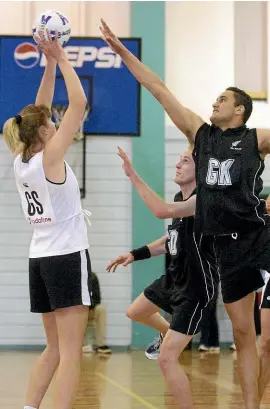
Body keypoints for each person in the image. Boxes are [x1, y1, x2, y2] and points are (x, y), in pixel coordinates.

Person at [100, 20, 270, 409]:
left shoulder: (256, 139)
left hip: (259, 240)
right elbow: (159, 89)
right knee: (243, 335)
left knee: (264, 337)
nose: (214, 103)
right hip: (223, 249)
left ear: (239, 109)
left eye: (222, 100)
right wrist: (123, 53)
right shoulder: (201, 135)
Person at [3, 31, 92, 409]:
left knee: (53, 347)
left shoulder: (22, 161)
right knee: (72, 352)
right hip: (67, 256)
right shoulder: (51, 158)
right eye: (52, 123)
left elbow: (38, 108)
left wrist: (50, 63)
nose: (57, 123)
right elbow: (79, 103)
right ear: (44, 133)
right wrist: (63, 57)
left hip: (39, 258)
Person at [107, 148, 219, 409]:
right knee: (135, 311)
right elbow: (170, 241)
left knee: (166, 360)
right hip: (174, 278)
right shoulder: (180, 197)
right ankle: (166, 334)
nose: (177, 164)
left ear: (200, 171)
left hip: (196, 288)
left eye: (185, 161)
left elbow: (160, 210)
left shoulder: (204, 199)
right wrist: (134, 255)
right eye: (178, 159)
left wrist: (133, 176)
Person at [83, 272, 112, 355]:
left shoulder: (92, 277)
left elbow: (97, 298)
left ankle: (101, 345)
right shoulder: (70, 278)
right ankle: (79, 345)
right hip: (76, 312)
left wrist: (87, 306)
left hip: (89, 309)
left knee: (101, 309)